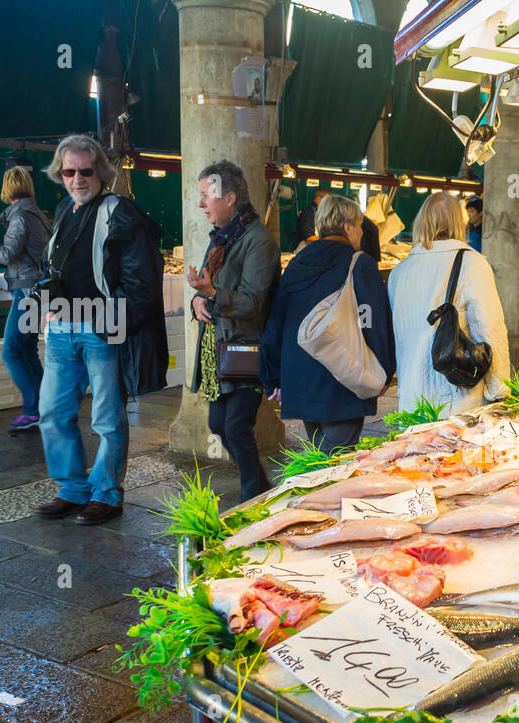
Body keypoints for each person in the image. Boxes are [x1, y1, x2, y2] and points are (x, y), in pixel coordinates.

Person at [33, 134, 168, 525]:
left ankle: (107, 493)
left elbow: (142, 280)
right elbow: (55, 269)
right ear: (59, 174)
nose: (77, 178)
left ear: (101, 173)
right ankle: (73, 488)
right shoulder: (64, 211)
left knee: (107, 418)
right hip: (62, 328)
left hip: (101, 331)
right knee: (52, 413)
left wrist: (110, 320)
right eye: (69, 171)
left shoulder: (120, 211)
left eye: (85, 170)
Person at [261, 194, 394, 454]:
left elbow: (275, 320)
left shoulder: (297, 264)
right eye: (359, 226)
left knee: (320, 454)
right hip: (342, 380)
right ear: (347, 227)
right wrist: (384, 370)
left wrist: (272, 377)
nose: (360, 233)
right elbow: (373, 319)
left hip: (301, 377)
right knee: (335, 463)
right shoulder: (360, 263)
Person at [188, 159, 280, 501]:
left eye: (206, 196)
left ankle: (252, 498)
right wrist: (200, 301)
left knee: (236, 427)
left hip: (245, 349)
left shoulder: (259, 241)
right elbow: (209, 287)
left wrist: (211, 294)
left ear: (229, 198)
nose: (200, 204)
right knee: (217, 425)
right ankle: (262, 489)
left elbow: (254, 302)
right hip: (218, 350)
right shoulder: (221, 237)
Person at [387, 191, 510, 417]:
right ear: (458, 221)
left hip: (410, 398)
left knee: (416, 453)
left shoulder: (399, 272)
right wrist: (499, 388)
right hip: (456, 398)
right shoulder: (473, 263)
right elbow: (489, 329)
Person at [0, 165, 51, 433]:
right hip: (38, 289)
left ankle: (32, 411)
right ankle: (44, 408)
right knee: (28, 350)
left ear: (7, 188)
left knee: (12, 351)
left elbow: (6, 254)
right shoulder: (39, 215)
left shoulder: (21, 218)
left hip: (27, 291)